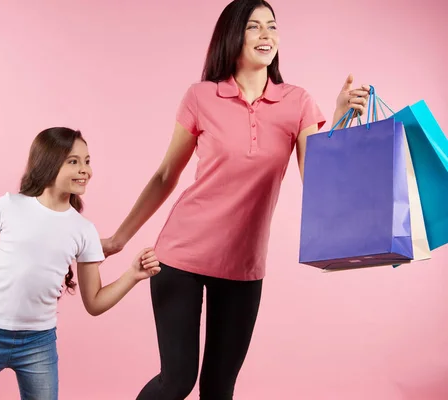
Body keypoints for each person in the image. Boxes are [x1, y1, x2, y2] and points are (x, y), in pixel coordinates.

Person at [100, 1, 370, 399]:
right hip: (181, 255)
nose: (267, 35)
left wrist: (340, 115)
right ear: (232, 36)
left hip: (244, 264)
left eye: (272, 27)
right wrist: (119, 239)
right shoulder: (201, 96)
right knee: (176, 380)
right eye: (254, 27)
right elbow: (164, 176)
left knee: (218, 387)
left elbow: (317, 182)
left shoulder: (297, 103)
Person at [0, 127, 161, 400]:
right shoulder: (10, 206)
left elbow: (94, 303)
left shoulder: (84, 230)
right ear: (48, 163)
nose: (85, 170)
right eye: (74, 161)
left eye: (87, 161)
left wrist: (132, 275)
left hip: (38, 344)